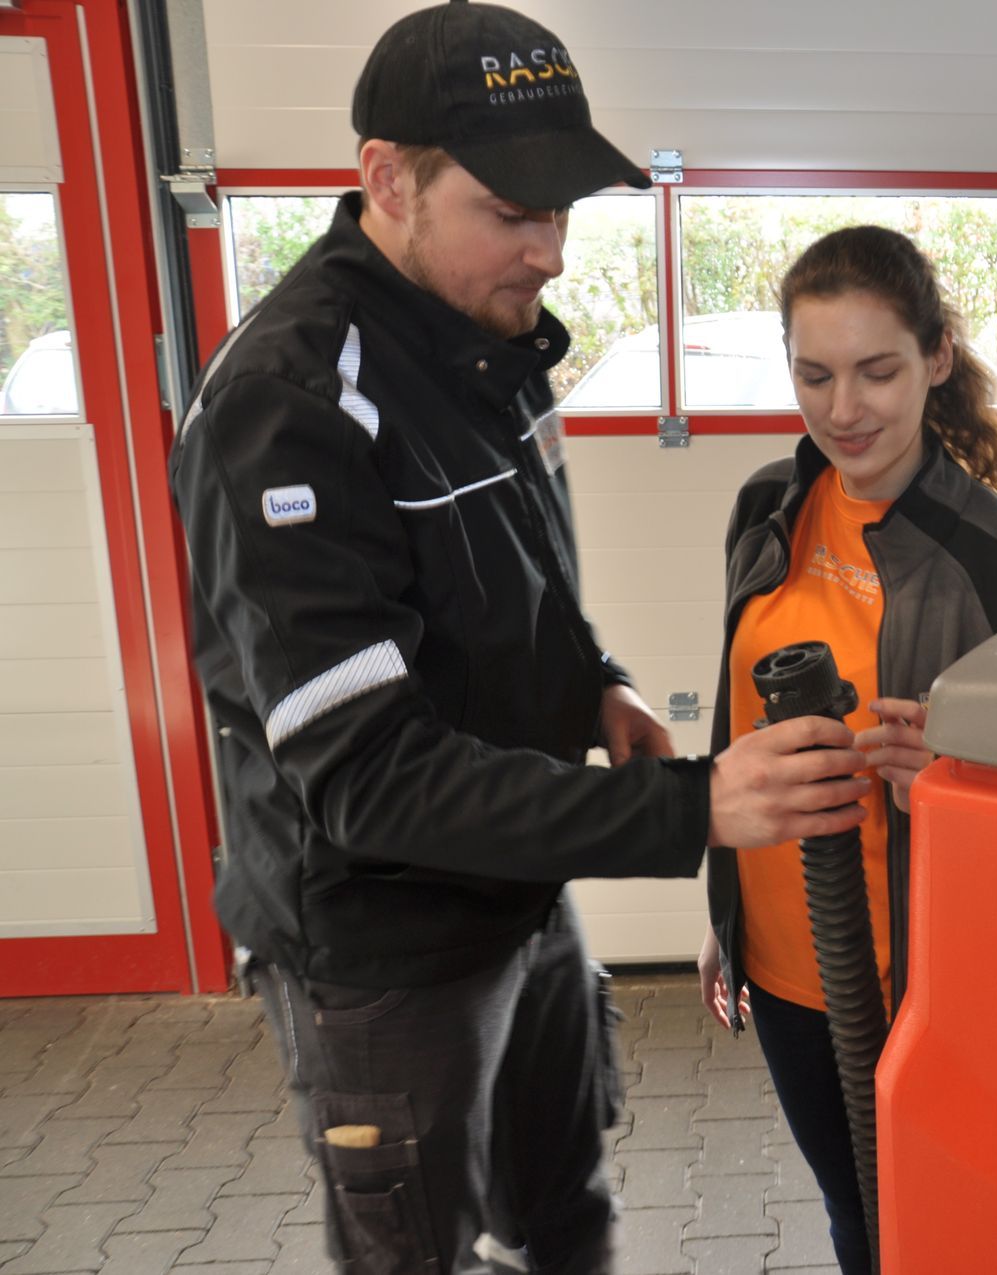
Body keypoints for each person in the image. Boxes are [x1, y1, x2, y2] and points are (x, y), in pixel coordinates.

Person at [167, 5, 870, 1272]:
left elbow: (515, 580)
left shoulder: (489, 344)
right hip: (386, 952)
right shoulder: (288, 412)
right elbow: (370, 777)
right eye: (512, 212)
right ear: (388, 177)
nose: (548, 251)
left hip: (519, 901)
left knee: (566, 1217)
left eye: (561, 211)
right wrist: (692, 806)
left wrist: (592, 677)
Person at [696, 225, 997, 1272]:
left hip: (919, 973)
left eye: (876, 371)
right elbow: (736, 723)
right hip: (780, 956)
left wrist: (953, 781)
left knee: (928, 1228)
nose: (843, 409)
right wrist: (723, 906)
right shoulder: (765, 504)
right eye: (813, 374)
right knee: (852, 1215)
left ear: (936, 357)